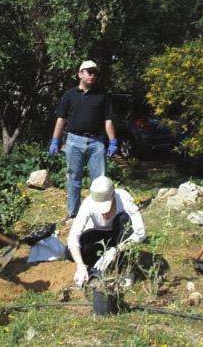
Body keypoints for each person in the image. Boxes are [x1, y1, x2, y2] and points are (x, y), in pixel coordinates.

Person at [49, 60, 117, 220]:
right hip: (74, 141)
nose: (92, 74)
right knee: (73, 178)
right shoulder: (69, 95)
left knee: (100, 180)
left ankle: (100, 214)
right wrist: (55, 140)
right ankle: (73, 214)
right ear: (80, 74)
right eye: (89, 71)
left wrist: (113, 141)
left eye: (95, 72)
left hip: (97, 143)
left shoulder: (102, 96)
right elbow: (61, 119)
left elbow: (108, 120)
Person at [66, 176, 146, 288]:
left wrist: (117, 249)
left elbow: (140, 232)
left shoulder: (123, 198)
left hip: (119, 235)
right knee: (70, 252)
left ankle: (125, 266)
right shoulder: (88, 204)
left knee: (123, 219)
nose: (104, 213)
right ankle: (99, 265)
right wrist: (80, 266)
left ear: (113, 195)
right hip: (99, 235)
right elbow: (73, 236)